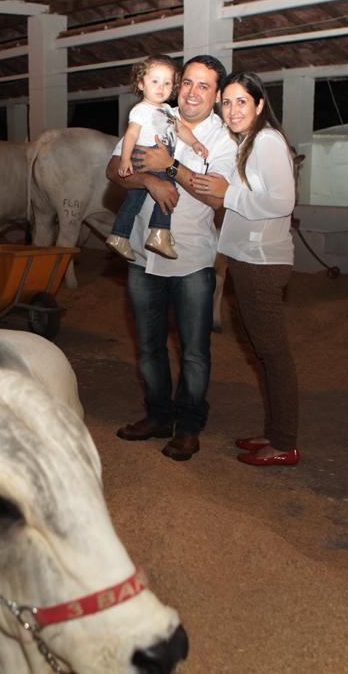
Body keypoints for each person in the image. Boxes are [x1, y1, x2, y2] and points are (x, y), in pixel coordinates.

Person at [106, 55, 237, 462]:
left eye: (204, 86)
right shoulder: (155, 113)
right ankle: (159, 416)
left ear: (215, 96)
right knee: (148, 347)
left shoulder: (222, 139)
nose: (193, 92)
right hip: (143, 255)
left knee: (194, 351)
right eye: (189, 83)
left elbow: (216, 195)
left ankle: (190, 426)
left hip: (192, 258)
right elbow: (114, 168)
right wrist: (147, 179)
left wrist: (171, 167)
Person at [188, 71, 300, 466]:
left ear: (259, 105)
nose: (232, 110)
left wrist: (227, 193)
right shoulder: (248, 143)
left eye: (241, 101)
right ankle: (274, 432)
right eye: (228, 102)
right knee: (264, 354)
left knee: (274, 355)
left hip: (263, 262)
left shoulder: (267, 141)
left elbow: (282, 202)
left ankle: (285, 443)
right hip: (248, 259)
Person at [107, 55, 210, 262]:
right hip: (145, 154)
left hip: (157, 156)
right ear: (141, 83)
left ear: (173, 87)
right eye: (155, 81)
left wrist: (195, 143)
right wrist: (126, 159)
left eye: (167, 83)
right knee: (169, 191)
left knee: (133, 201)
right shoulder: (141, 109)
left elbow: (180, 130)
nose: (161, 87)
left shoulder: (165, 110)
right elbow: (131, 135)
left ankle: (120, 235)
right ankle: (159, 233)